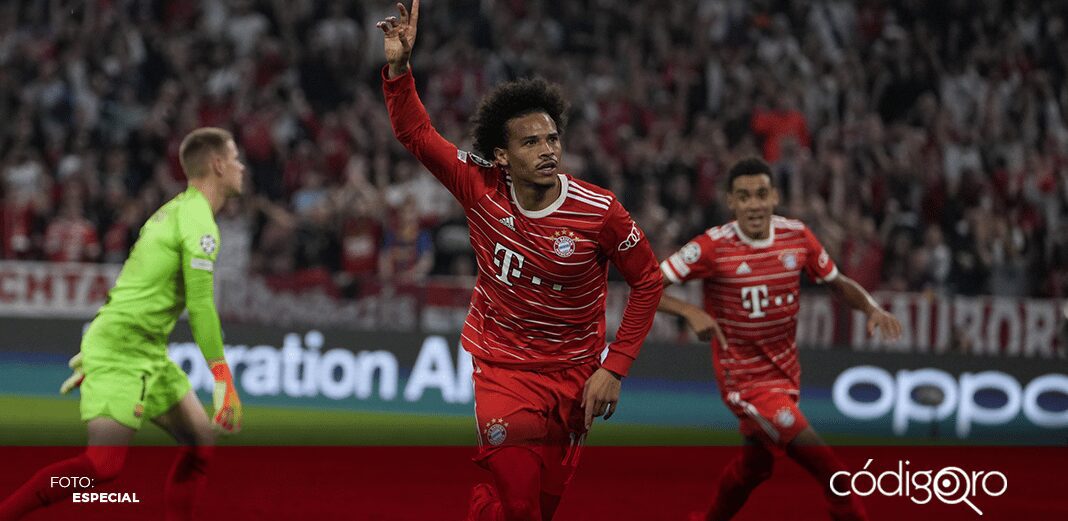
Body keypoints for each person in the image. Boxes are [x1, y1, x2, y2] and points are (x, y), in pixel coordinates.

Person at [376, 3, 663, 520]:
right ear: (502, 156)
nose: (547, 150)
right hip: (502, 369)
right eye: (530, 142)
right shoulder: (478, 186)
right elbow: (417, 135)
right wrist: (399, 70)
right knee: (523, 504)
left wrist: (614, 369)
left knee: (536, 509)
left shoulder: (600, 211)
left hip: (576, 376)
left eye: (552, 138)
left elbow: (648, 281)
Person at [0, 127, 246, 521]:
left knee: (200, 443)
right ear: (217, 164)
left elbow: (136, 282)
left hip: (144, 348)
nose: (241, 167)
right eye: (234, 158)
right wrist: (222, 377)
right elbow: (200, 305)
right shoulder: (197, 222)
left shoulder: (175, 210)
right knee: (102, 467)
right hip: (122, 349)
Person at [657, 157, 902, 521]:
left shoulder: (797, 237)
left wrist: (871, 308)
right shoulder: (712, 246)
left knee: (755, 467)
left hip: (786, 375)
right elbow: (648, 284)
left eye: (761, 194)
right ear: (731, 201)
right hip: (744, 382)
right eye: (744, 197)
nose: (754, 204)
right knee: (833, 473)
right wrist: (690, 312)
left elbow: (836, 282)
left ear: (774, 196)